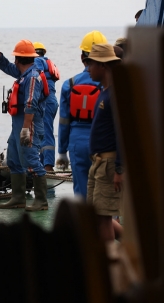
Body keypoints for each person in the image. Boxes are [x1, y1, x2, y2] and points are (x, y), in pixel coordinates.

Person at [0, 38, 49, 211]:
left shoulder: (33, 77)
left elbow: (31, 104)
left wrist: (25, 130)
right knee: (13, 160)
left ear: (18, 59)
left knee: (32, 161)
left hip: (28, 126)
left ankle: (41, 201)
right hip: (18, 125)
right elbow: (4, 65)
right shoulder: (23, 74)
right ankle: (18, 198)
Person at [57, 30, 107, 199]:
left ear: (82, 57)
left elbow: (64, 121)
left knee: (81, 191)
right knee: (104, 192)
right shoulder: (108, 85)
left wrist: (62, 152)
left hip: (77, 142)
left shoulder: (69, 84)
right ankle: (109, 224)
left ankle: (84, 223)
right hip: (102, 142)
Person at [84, 43, 122, 242]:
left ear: (103, 66)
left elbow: (122, 133)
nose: (88, 68)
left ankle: (110, 263)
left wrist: (119, 169)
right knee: (96, 214)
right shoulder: (104, 91)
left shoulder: (115, 94)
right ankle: (131, 243)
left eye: (91, 64)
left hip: (108, 164)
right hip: (97, 163)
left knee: (103, 217)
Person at [33, 42, 60, 172]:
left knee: (46, 133)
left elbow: (36, 78)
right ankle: (44, 163)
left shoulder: (37, 61)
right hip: (51, 101)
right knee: (43, 132)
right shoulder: (47, 61)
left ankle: (48, 166)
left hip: (46, 101)